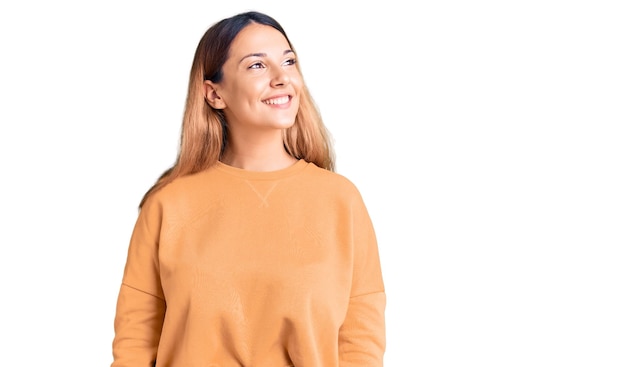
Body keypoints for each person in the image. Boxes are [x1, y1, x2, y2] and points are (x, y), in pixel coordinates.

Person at [110, 10, 385, 367]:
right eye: (257, 65)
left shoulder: (340, 200)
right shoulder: (168, 204)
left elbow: (360, 338)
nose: (282, 77)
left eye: (289, 61)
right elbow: (136, 340)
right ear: (214, 94)